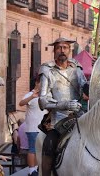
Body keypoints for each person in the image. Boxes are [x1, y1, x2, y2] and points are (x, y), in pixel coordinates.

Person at [38, 37, 87, 176]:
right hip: (58, 120)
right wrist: (64, 104)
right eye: (59, 48)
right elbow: (42, 101)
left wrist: (96, 77)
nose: (62, 50)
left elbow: (86, 89)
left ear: (69, 50)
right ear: (54, 51)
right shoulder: (47, 70)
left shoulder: (77, 68)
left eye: (65, 47)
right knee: (49, 144)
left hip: (80, 116)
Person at [19, 78, 47, 176]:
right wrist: (32, 97)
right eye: (41, 82)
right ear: (36, 82)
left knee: (39, 149)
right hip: (33, 127)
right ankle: (31, 170)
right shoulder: (29, 94)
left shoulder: (44, 95)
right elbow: (21, 103)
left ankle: (35, 168)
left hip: (42, 128)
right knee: (32, 149)